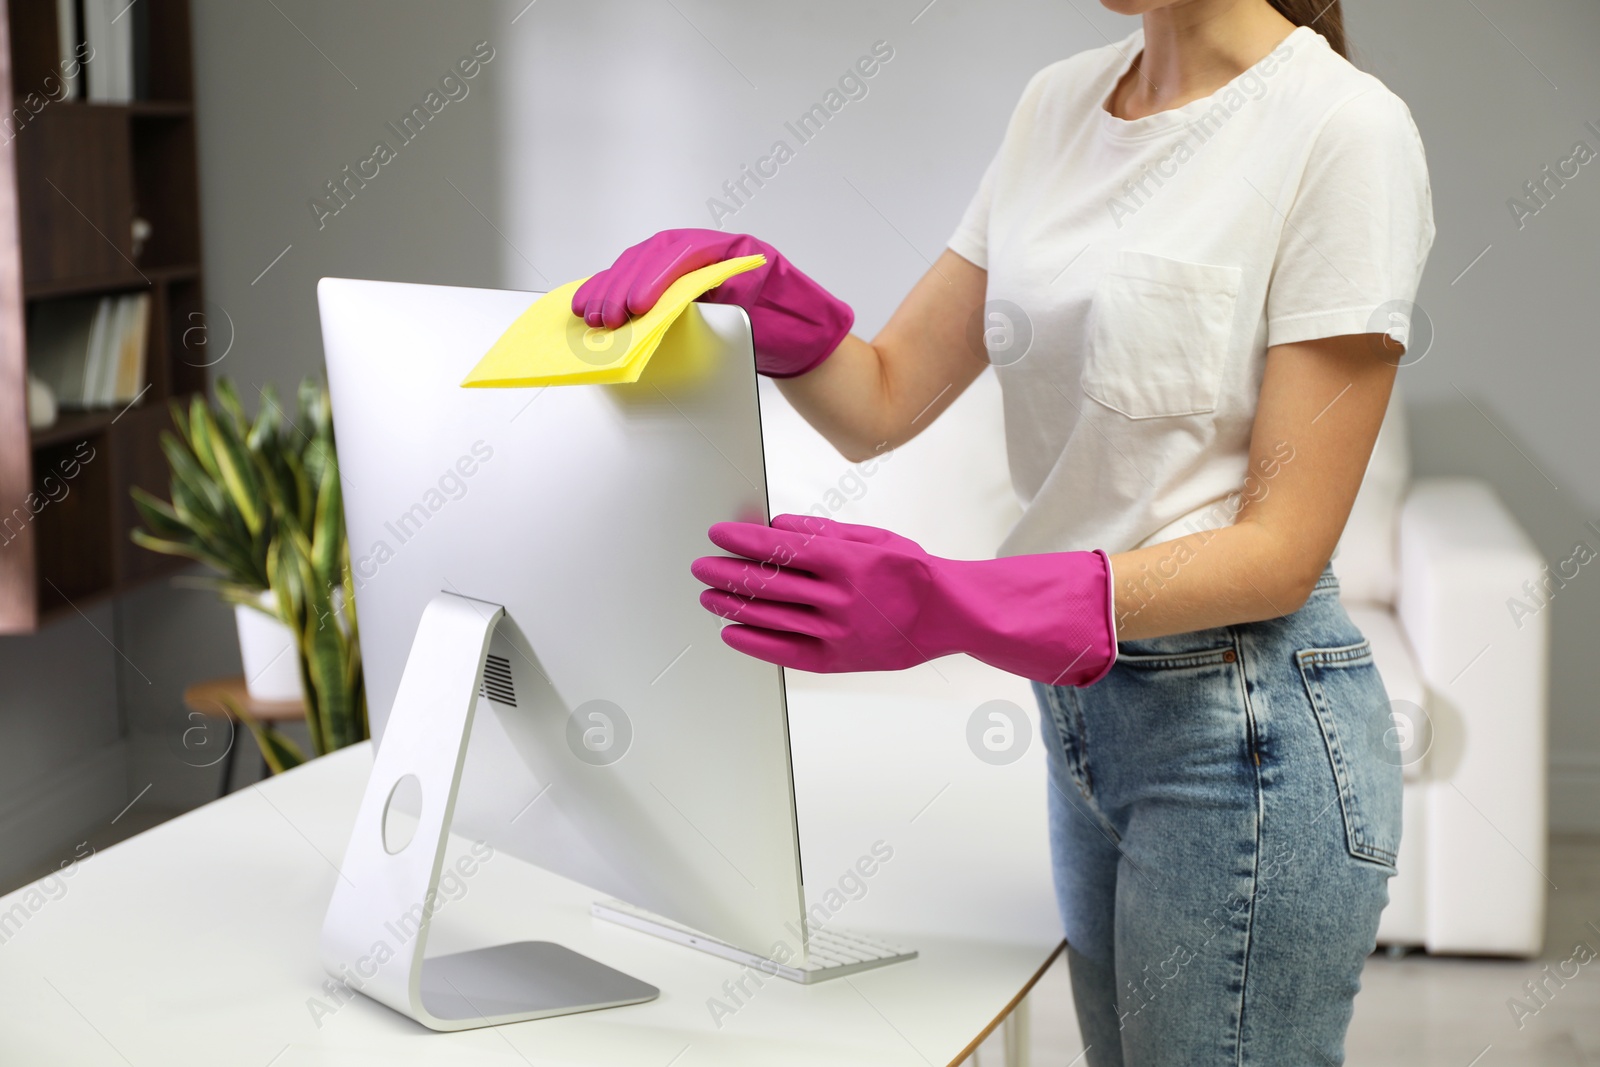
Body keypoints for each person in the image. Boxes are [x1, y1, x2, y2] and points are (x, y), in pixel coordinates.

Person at [572, 0, 1434, 1062]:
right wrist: (764, 304)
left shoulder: (1343, 130)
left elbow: (1279, 550)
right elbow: (883, 396)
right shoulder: (1058, 104)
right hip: (1080, 717)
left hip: (1243, 733)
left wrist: (956, 603)